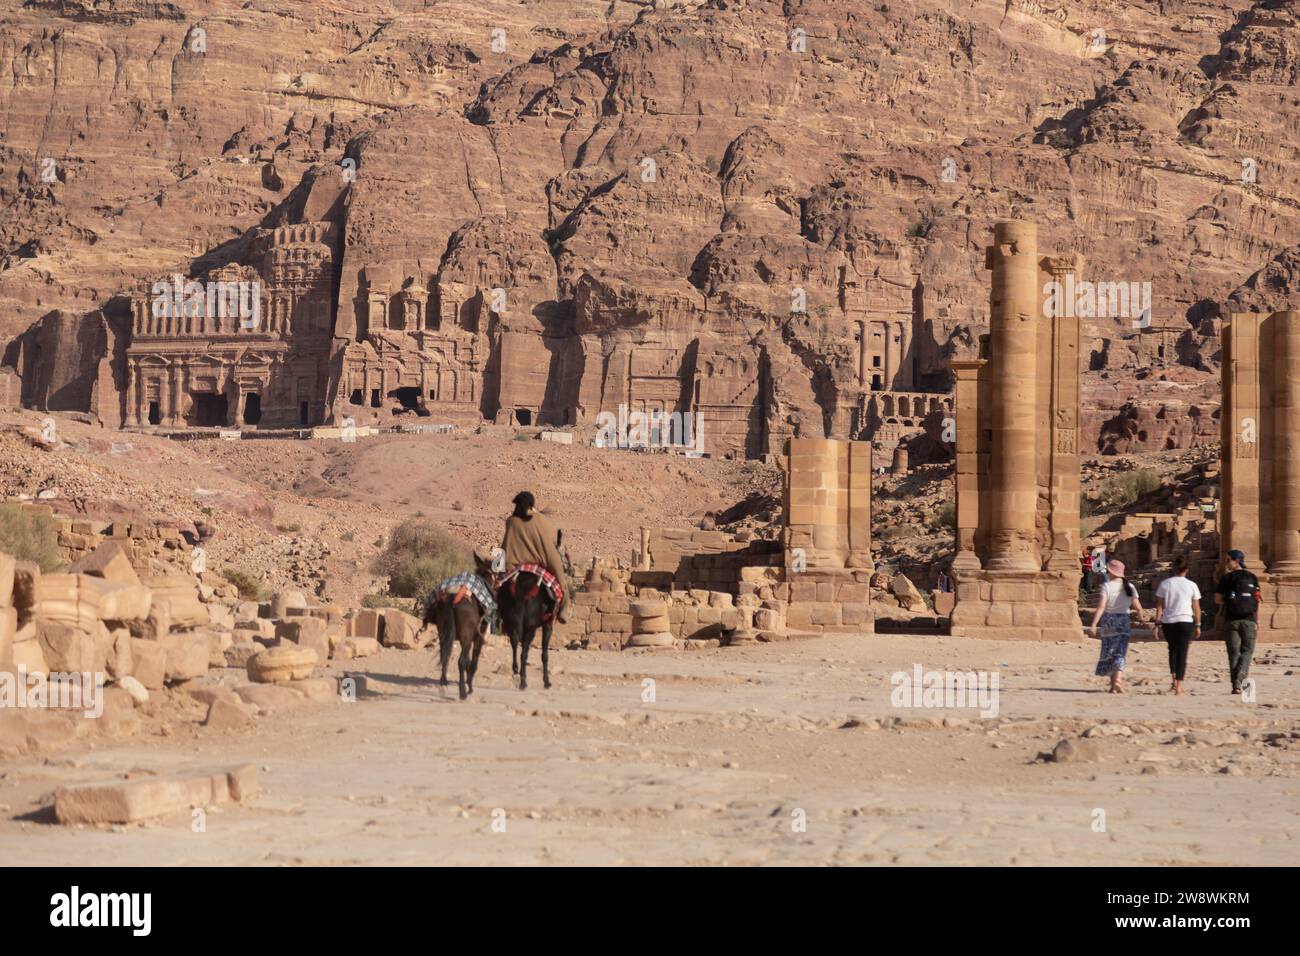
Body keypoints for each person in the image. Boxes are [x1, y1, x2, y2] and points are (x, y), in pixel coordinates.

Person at [500, 491, 569, 623]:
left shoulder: (510, 521)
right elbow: (555, 539)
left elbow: (506, 544)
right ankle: (563, 610)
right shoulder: (540, 519)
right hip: (541, 560)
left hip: (513, 563)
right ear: (531, 504)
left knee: (496, 585)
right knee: (562, 583)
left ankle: (496, 615)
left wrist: (496, 567)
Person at [1088, 559, 1144, 693]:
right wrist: (1141, 617)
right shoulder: (1130, 587)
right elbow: (1137, 606)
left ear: (1111, 572)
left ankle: (1114, 683)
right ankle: (1116, 682)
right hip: (1123, 621)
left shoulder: (1107, 586)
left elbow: (1101, 607)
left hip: (1109, 621)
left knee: (1110, 651)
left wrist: (1094, 624)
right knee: (1120, 652)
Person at [1215, 549, 1261, 694]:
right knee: (1247, 651)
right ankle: (1240, 679)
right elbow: (1257, 600)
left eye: (1228, 560)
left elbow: (1217, 599)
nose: (1226, 563)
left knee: (1233, 653)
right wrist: (1257, 620)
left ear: (1237, 561)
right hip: (1249, 619)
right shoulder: (1252, 577)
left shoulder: (1226, 578)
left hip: (1231, 620)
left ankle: (1236, 685)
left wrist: (1228, 602)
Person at [1155, 555, 1201, 695]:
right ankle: (1179, 685)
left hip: (1169, 622)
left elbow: (1159, 607)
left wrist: (1157, 624)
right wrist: (1198, 625)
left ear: (1174, 568)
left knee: (1172, 651)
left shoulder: (1165, 584)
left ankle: (1174, 680)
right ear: (1187, 569)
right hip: (1185, 621)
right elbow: (1196, 608)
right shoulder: (1192, 585)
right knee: (1183, 653)